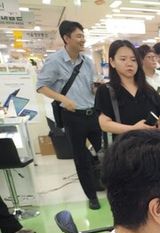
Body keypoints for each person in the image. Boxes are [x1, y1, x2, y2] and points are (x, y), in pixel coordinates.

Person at [36, 20, 103, 210]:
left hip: (93, 114)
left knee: (99, 151)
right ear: (66, 38)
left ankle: (98, 182)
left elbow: (92, 85)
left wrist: (97, 88)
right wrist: (63, 99)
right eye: (79, 36)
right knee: (81, 158)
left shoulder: (87, 61)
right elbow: (40, 86)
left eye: (83, 35)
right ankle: (91, 196)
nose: (83, 39)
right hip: (73, 117)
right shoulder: (55, 61)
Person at [95, 40, 160, 137]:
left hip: (151, 144)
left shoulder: (149, 90)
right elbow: (104, 124)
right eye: (123, 59)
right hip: (124, 145)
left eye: (133, 60)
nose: (129, 63)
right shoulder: (106, 90)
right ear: (112, 62)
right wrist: (133, 129)